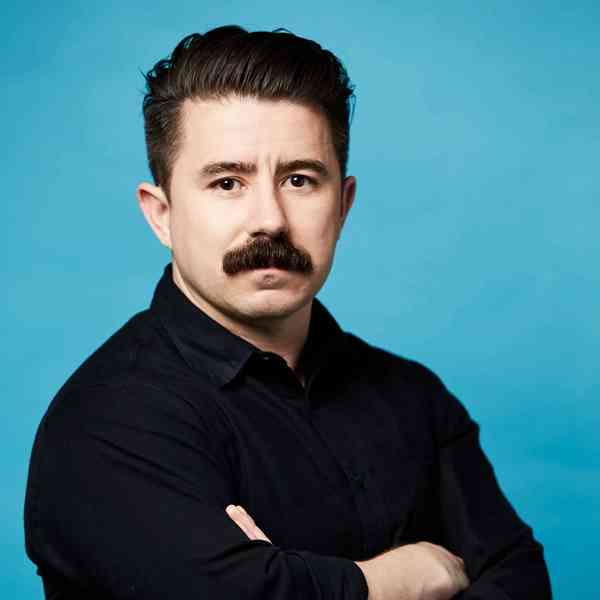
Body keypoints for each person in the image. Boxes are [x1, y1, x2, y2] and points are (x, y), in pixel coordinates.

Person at [24, 25, 552, 599]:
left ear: (343, 205)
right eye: (228, 182)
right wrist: (399, 581)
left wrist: (290, 581)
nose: (270, 220)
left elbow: (521, 581)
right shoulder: (107, 421)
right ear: (161, 214)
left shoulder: (414, 397)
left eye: (299, 180)